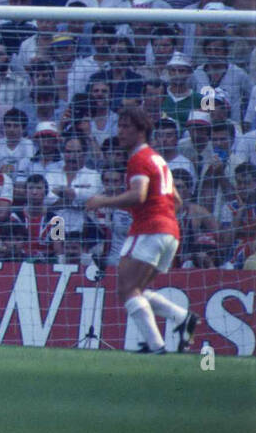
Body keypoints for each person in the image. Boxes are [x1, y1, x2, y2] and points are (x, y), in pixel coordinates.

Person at [85, 104, 199, 354]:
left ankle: (158, 345)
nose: (120, 132)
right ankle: (181, 318)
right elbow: (177, 201)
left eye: (126, 126)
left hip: (150, 229)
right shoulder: (158, 159)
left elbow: (138, 195)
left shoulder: (139, 158)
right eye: (119, 126)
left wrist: (103, 201)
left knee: (126, 290)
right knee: (137, 290)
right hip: (170, 232)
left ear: (141, 131)